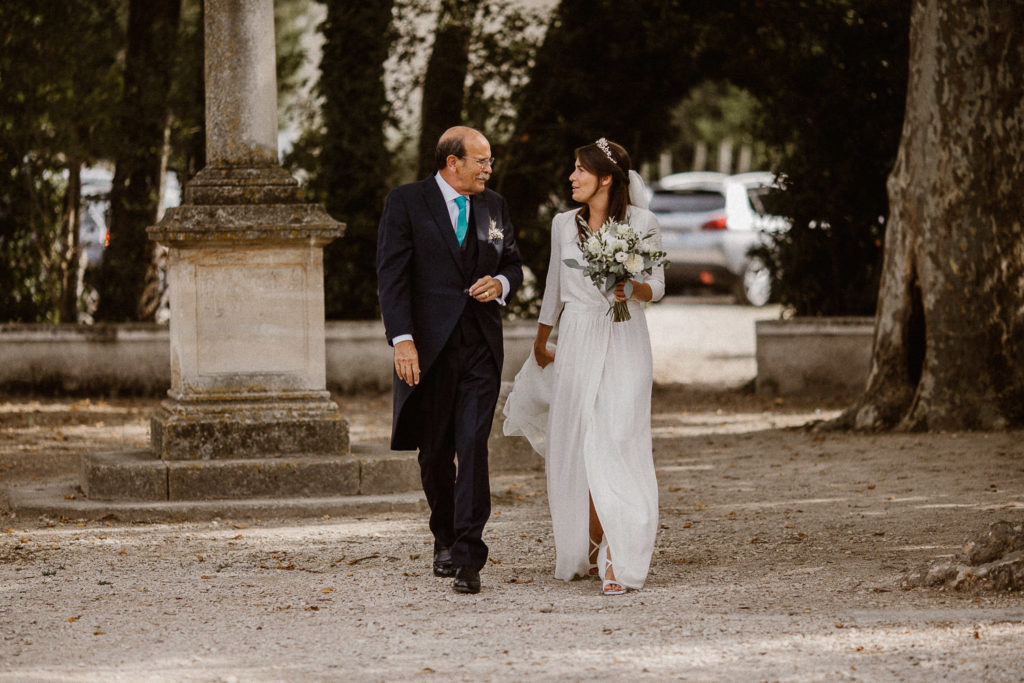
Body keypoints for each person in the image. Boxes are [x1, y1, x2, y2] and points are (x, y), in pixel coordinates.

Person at [376, 126, 523, 595]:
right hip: (428, 350)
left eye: (490, 162)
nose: (488, 169)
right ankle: (443, 535)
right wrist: (402, 340)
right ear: (451, 162)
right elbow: (392, 275)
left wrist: (500, 285)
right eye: (481, 161)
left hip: (480, 346)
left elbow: (513, 263)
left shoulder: (494, 205)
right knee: (435, 451)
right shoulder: (406, 202)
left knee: (473, 445)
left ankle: (467, 556)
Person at [513, 138, 664, 595]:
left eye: (581, 169)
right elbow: (555, 288)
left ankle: (622, 552)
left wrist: (629, 287)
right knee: (580, 445)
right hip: (576, 338)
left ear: (606, 178)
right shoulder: (564, 224)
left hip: (624, 338)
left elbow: (657, 285)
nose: (572, 177)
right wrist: (542, 340)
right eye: (573, 168)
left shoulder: (642, 222)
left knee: (618, 439)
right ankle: (591, 543)